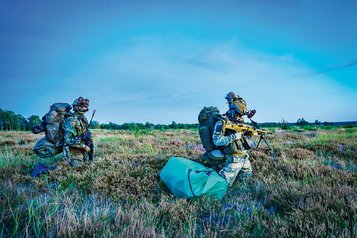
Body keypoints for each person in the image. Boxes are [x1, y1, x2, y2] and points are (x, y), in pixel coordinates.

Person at [211, 92, 254, 187]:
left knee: (245, 183)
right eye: (238, 114)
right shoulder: (222, 122)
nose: (240, 117)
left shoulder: (240, 123)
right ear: (233, 109)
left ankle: (241, 198)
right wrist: (234, 136)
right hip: (232, 159)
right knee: (223, 186)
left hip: (245, 158)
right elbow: (217, 140)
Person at [62, 97, 94, 166]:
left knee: (86, 165)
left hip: (81, 148)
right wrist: (84, 147)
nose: (84, 108)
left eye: (85, 106)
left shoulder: (83, 119)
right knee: (76, 168)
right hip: (72, 151)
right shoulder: (71, 120)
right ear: (76, 107)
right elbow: (68, 141)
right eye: (81, 106)